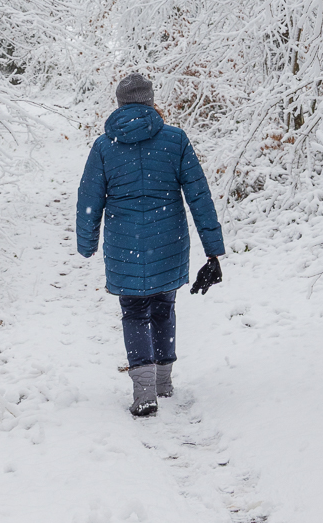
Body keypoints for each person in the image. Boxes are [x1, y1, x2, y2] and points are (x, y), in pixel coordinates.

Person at [76, 72, 225, 417]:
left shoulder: (104, 147)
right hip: (167, 242)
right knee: (162, 307)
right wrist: (213, 249)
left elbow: (89, 198)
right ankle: (162, 381)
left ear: (120, 104)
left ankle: (145, 392)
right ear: (151, 101)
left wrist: (87, 243)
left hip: (123, 244)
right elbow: (199, 195)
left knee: (134, 312)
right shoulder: (175, 140)